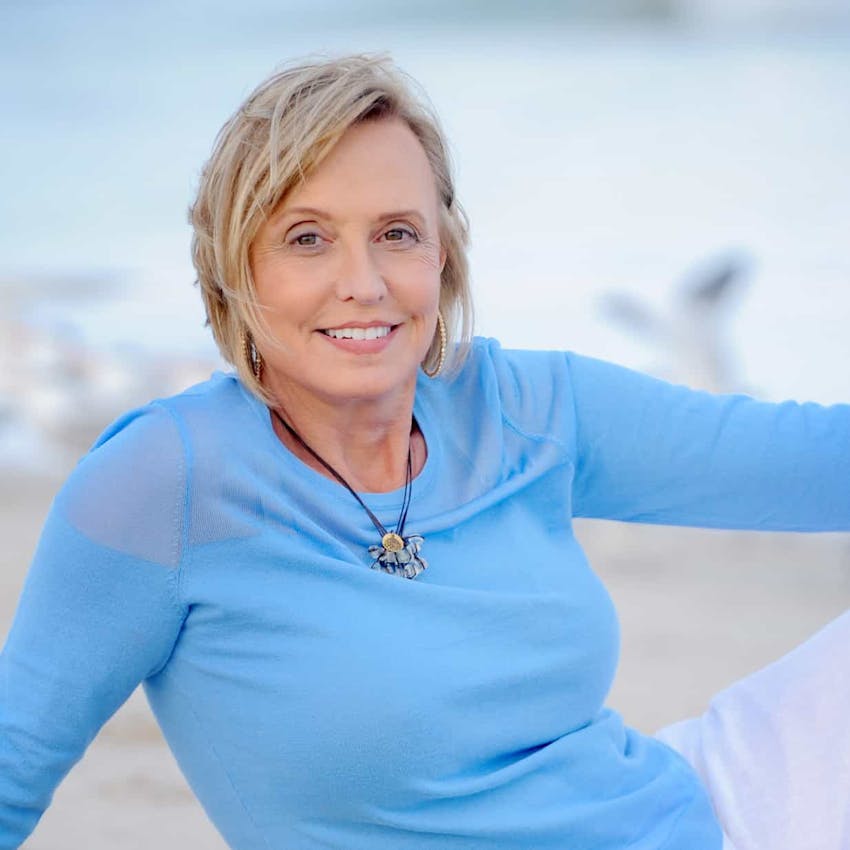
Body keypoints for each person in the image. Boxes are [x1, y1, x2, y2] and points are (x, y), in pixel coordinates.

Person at [0, 54, 848, 850]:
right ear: (235, 269)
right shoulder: (162, 486)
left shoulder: (530, 409)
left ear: (443, 255)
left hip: (698, 815)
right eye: (307, 238)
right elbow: (13, 759)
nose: (364, 281)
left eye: (398, 233)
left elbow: (815, 459)